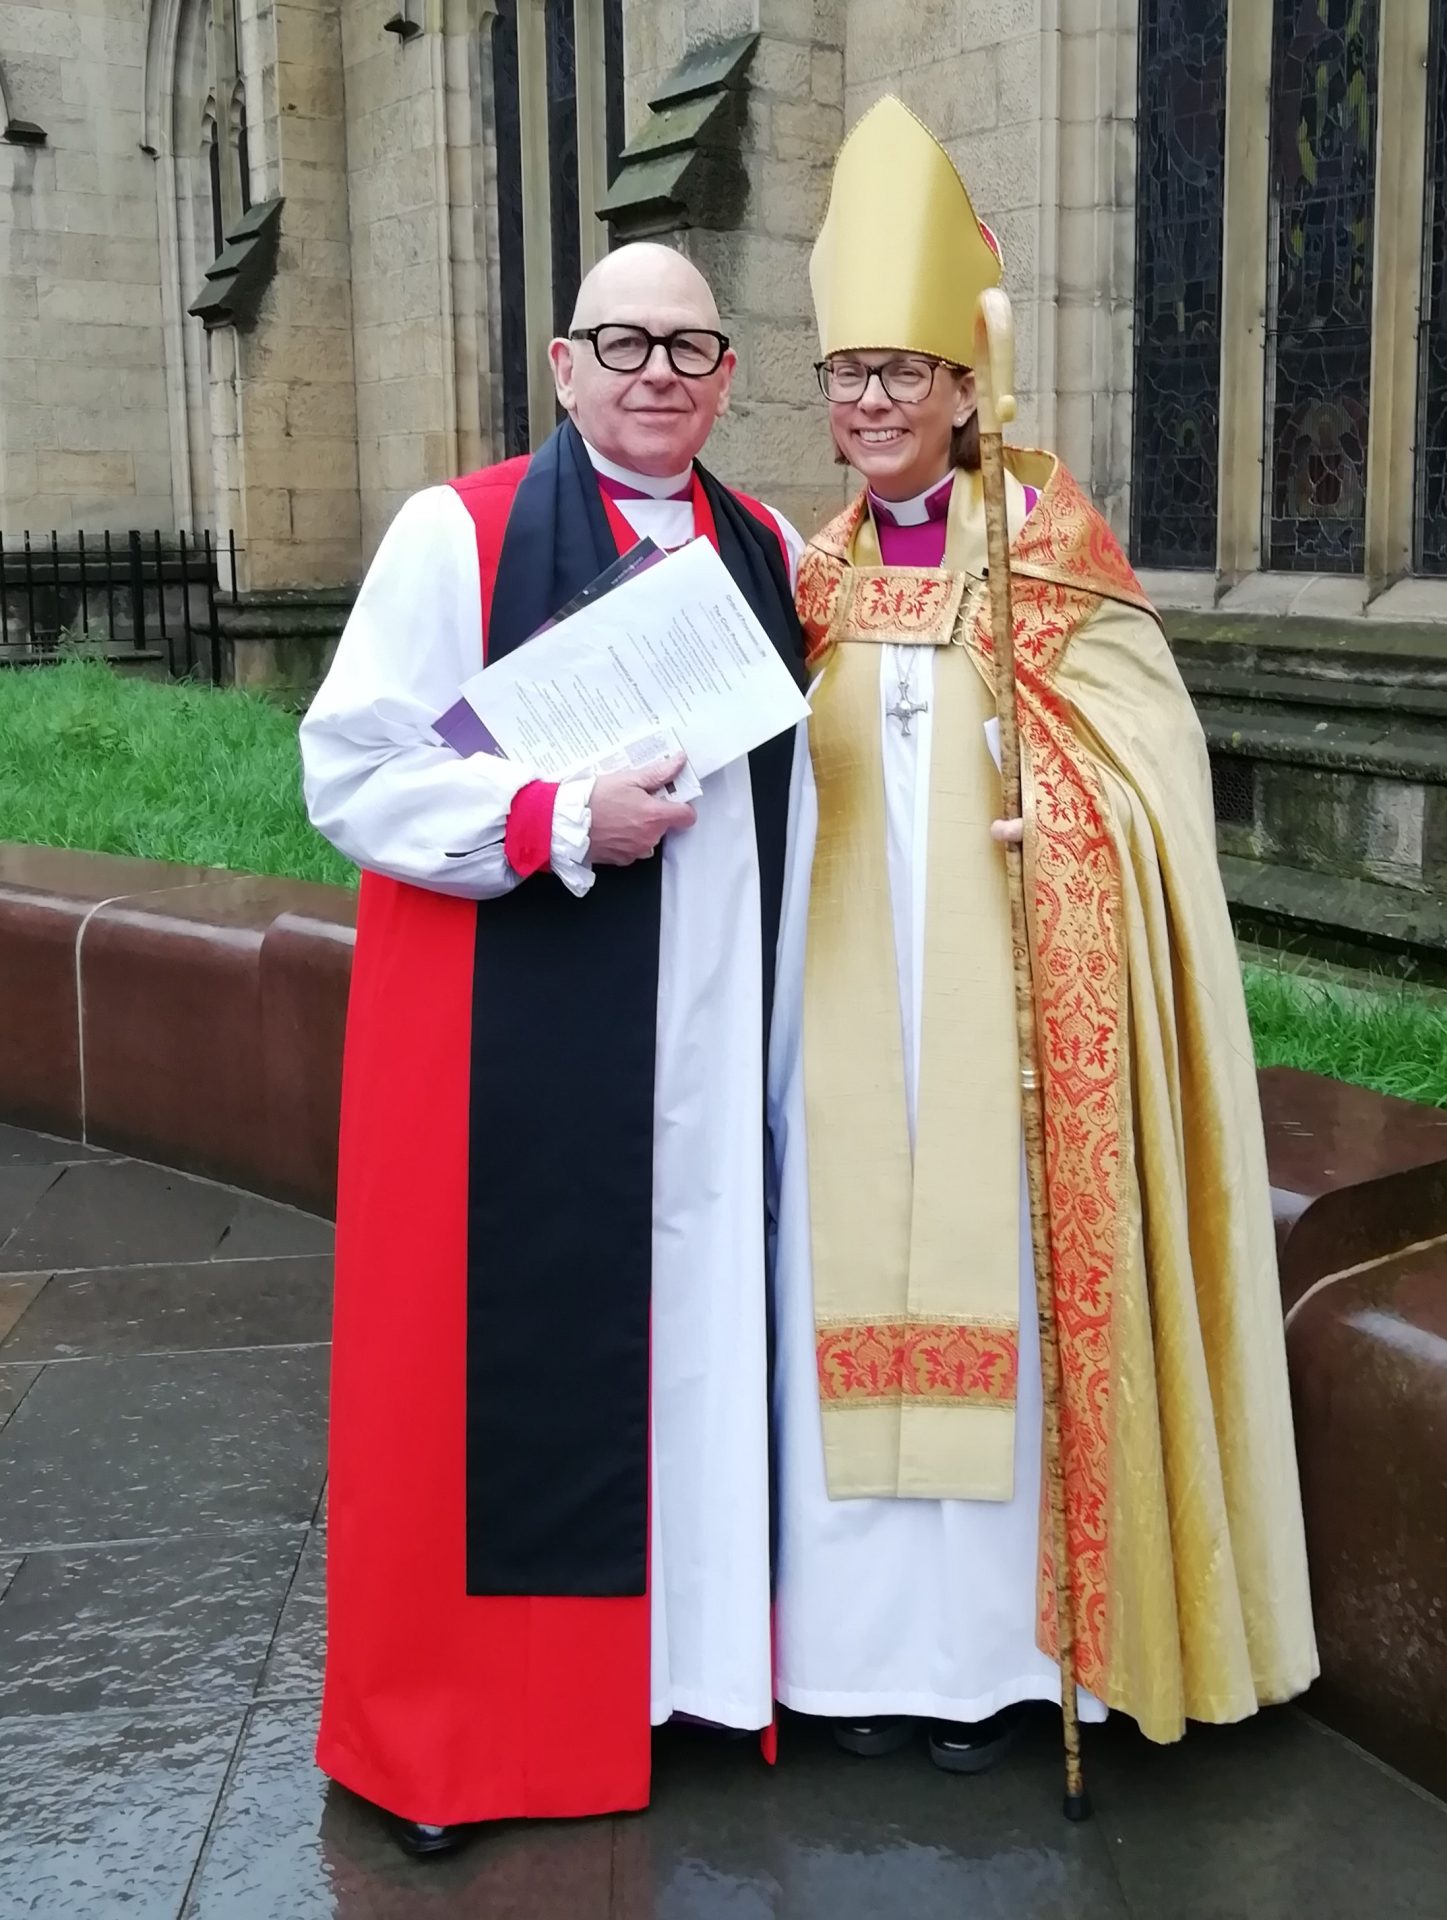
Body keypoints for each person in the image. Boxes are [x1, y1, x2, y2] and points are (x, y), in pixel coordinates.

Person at [768, 96, 1317, 1774]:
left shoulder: (1053, 565)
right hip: (842, 1011)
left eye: (901, 374)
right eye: (844, 375)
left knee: (1003, 1300)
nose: (870, 403)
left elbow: (1155, 770)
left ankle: (1011, 1667)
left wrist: (1063, 825)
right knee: (835, 1299)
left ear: (961, 388)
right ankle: (859, 1659)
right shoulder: (798, 581)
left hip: (1010, 1008)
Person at [300, 242, 806, 1858]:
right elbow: (353, 774)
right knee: (498, 1382)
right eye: (623, 342)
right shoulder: (455, 534)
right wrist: (555, 814)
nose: (657, 372)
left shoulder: (773, 546)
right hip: (510, 1048)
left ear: (728, 377)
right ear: (563, 361)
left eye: (690, 347)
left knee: (701, 1343)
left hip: (715, 1046)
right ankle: (469, 1734)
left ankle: (686, 1684)